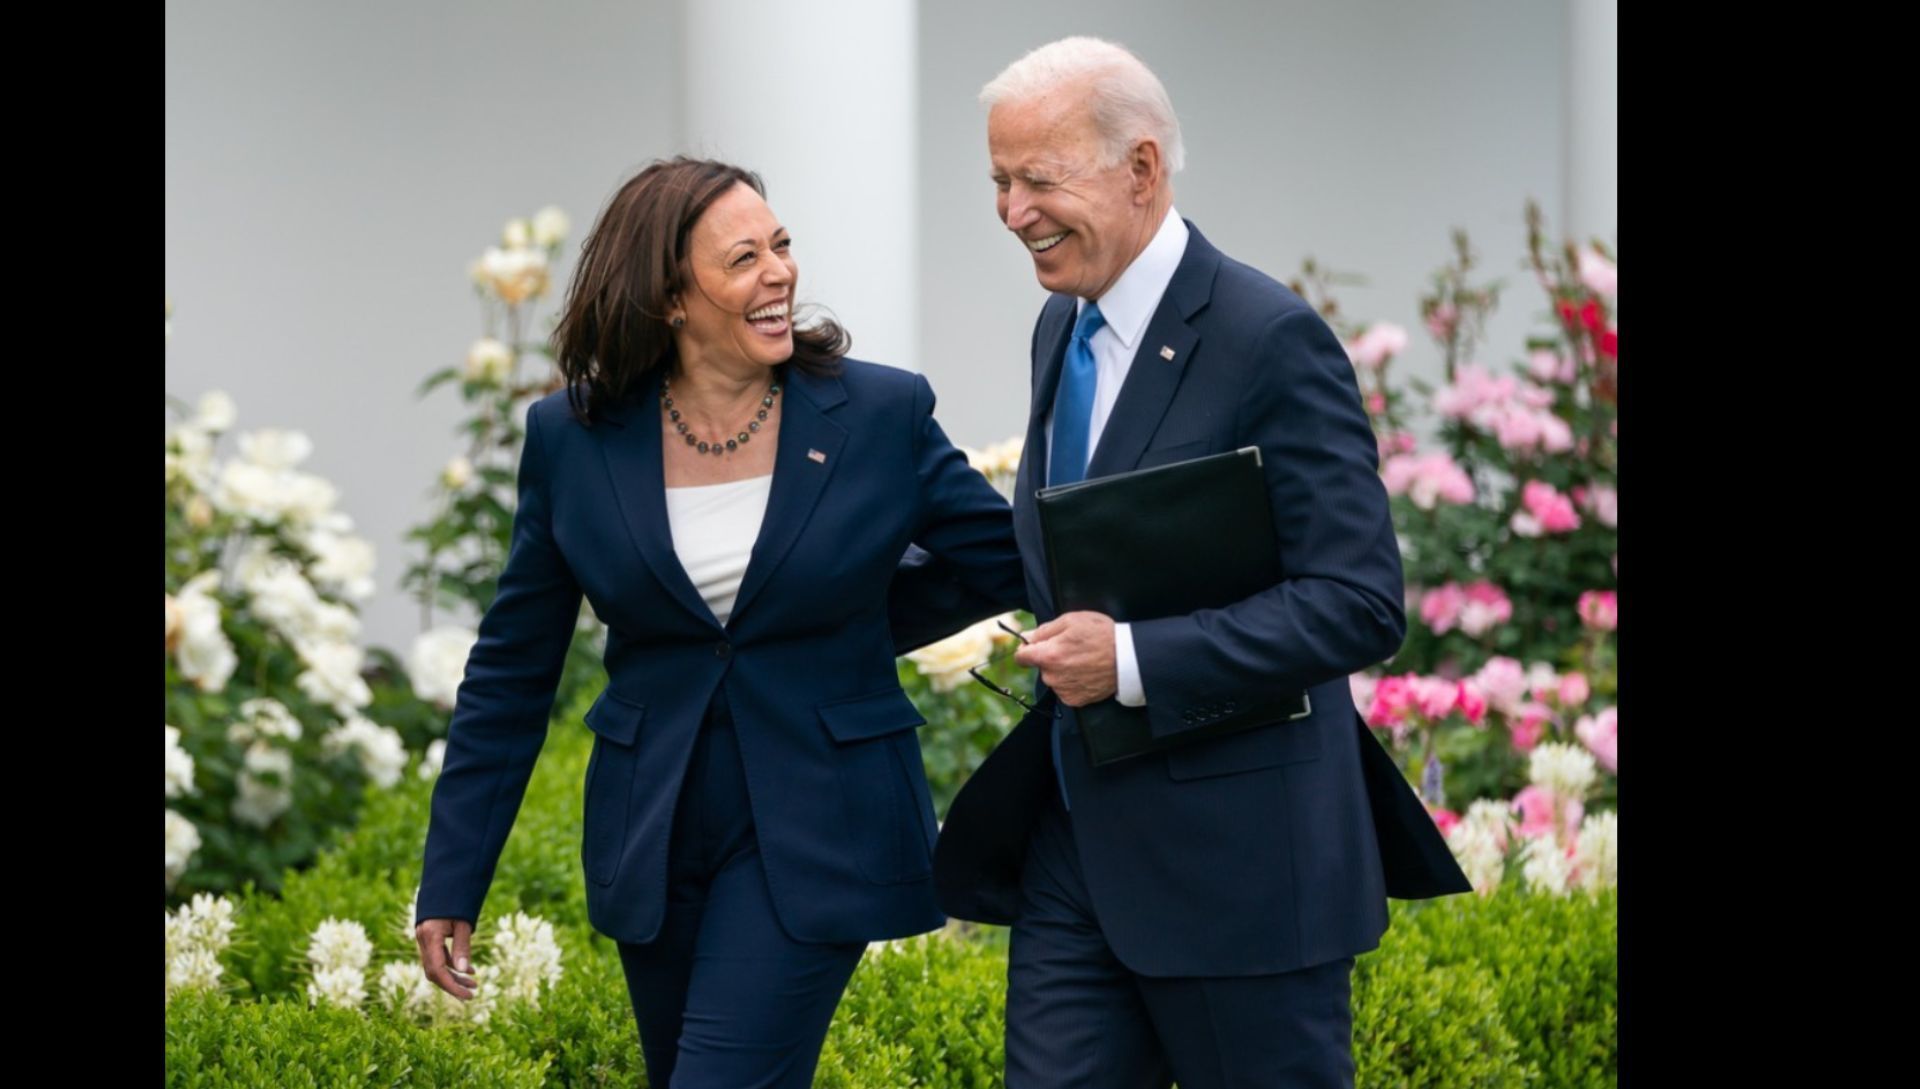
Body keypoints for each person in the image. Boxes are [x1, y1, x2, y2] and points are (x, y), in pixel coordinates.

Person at [414, 156, 1024, 1089]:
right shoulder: (570, 439)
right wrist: (453, 877)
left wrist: (856, 617)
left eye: (781, 247)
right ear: (669, 297)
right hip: (651, 829)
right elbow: (511, 669)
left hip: (821, 819)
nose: (779, 272)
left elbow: (1004, 557)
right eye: (743, 258)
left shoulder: (879, 413)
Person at [932, 38, 1471, 1089]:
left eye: (1040, 179)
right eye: (1000, 181)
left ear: (1142, 168)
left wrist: (1131, 660)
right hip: (1076, 849)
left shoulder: (1270, 339)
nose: (1012, 211)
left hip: (1245, 873)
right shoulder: (1061, 327)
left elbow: (1357, 603)